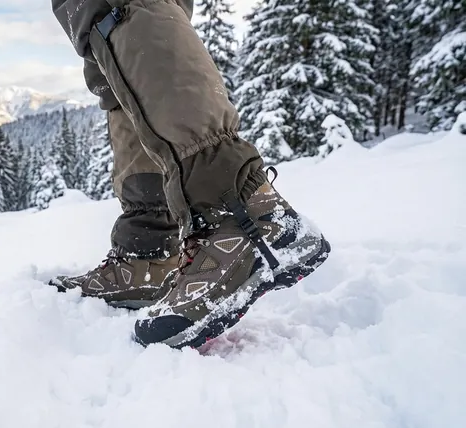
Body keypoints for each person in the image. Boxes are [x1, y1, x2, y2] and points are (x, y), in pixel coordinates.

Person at [49, 0, 330, 349]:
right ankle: (148, 250)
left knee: (119, 9)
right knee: (110, 54)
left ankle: (240, 209)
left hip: (236, 208)